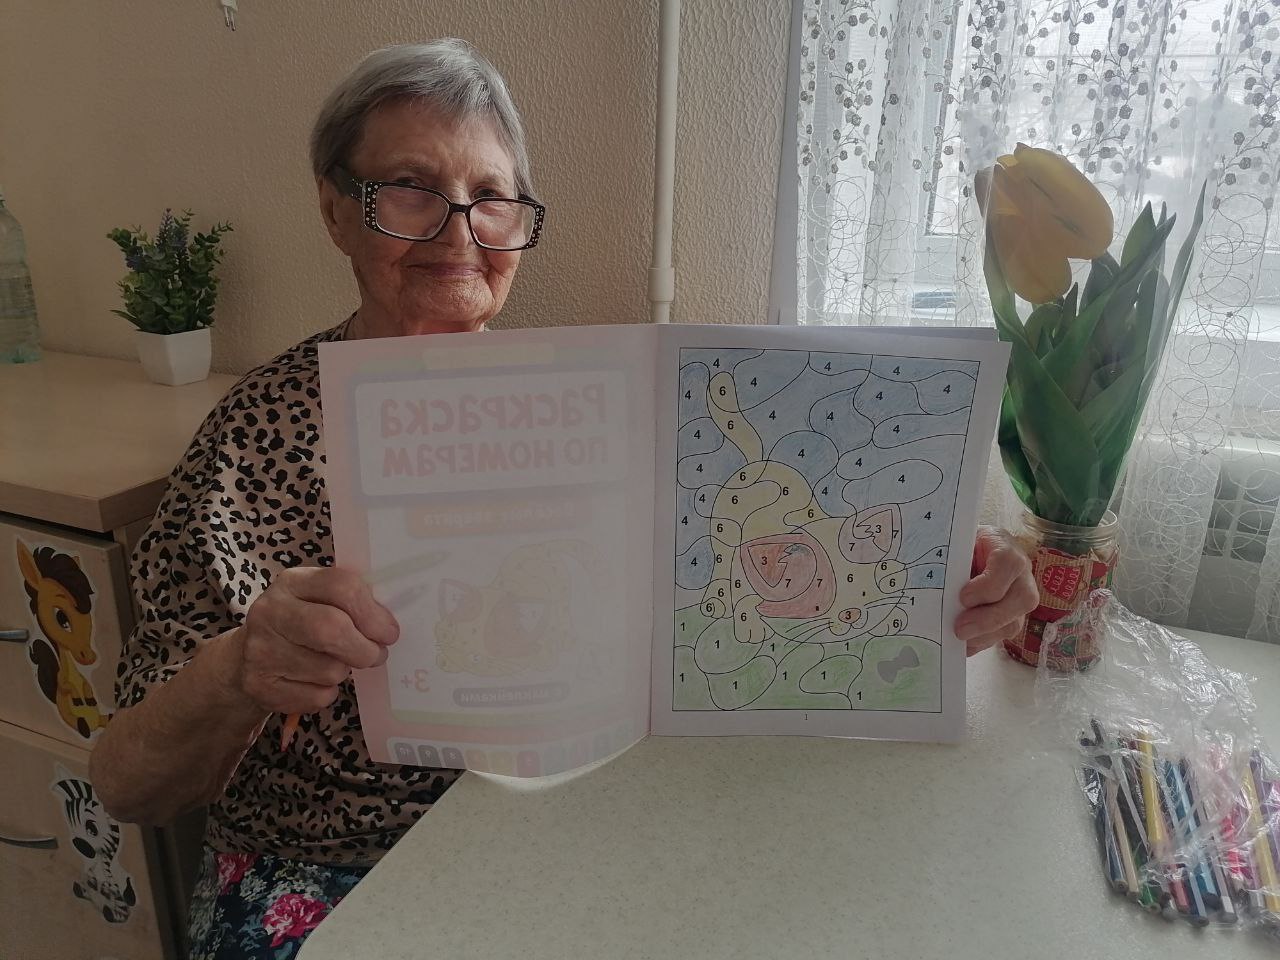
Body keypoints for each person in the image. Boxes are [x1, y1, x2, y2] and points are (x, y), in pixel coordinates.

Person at [90, 39, 1038, 960]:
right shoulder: (253, 439)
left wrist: (939, 573)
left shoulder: (606, 412)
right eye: (412, 188)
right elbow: (128, 784)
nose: (459, 232)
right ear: (337, 209)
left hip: (571, 837)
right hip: (335, 874)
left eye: (492, 198)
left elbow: (747, 607)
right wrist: (239, 669)